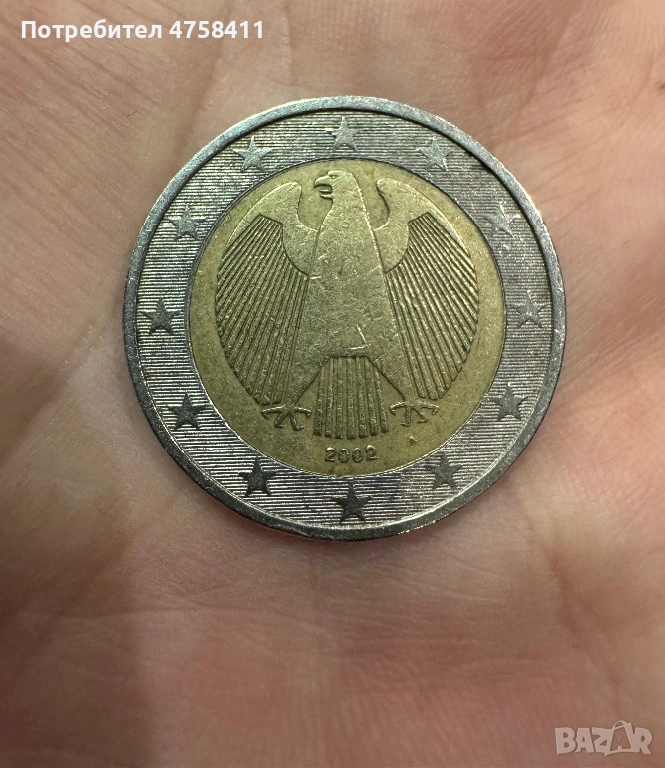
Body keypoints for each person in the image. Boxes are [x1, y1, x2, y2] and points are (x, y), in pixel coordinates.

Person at [1, 1, 663, 765]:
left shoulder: (372, 226)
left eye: (330, 191)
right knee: (310, 366)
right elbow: (291, 236)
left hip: (372, 314)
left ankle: (365, 397)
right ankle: (299, 401)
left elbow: (400, 231)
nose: (326, 193)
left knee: (380, 363)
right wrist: (289, 212)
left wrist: (386, 208)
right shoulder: (317, 230)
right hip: (323, 313)